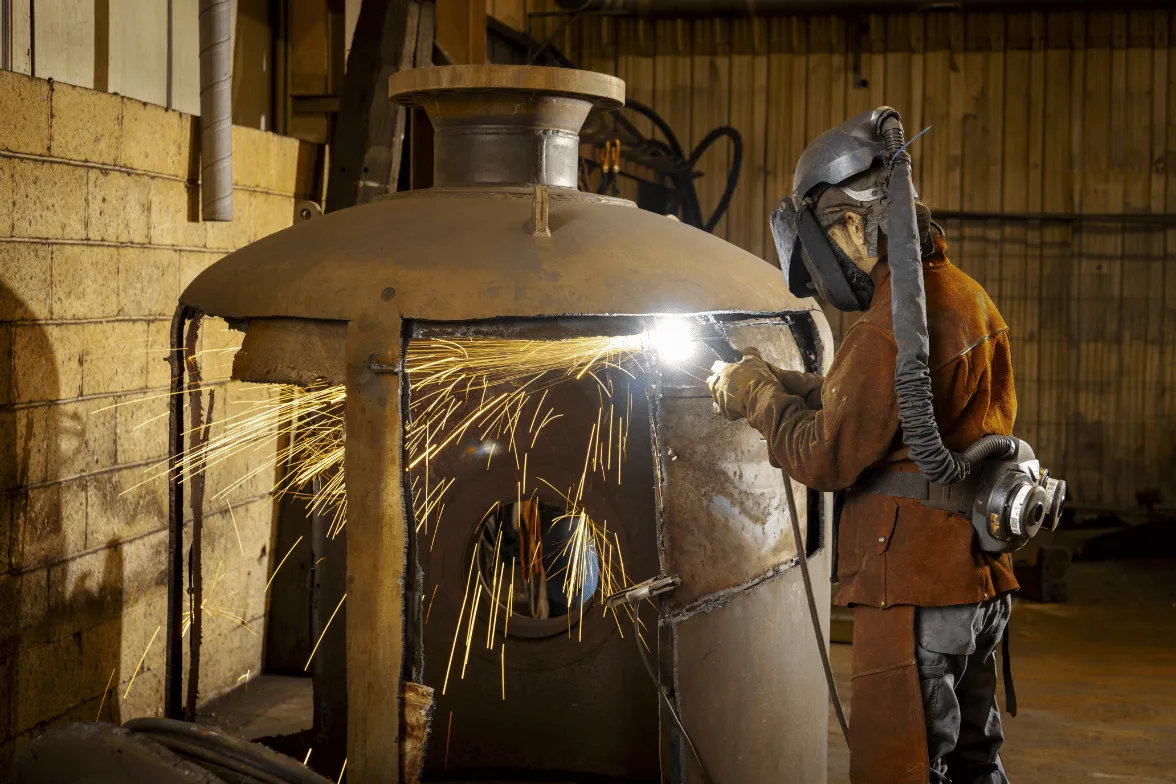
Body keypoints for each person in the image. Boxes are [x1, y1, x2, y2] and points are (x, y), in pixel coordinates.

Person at [707, 108, 1018, 784]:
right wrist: (785, 380)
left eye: (831, 238)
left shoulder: (888, 329)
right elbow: (888, 410)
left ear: (851, 224)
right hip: (973, 581)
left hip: (911, 587)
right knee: (971, 764)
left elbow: (829, 454)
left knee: (898, 770)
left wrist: (759, 398)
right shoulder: (964, 296)